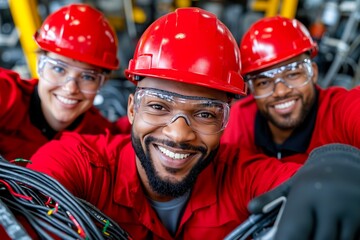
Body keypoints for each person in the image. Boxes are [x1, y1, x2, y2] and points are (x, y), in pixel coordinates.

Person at [27, 8, 360, 240]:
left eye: (205, 114)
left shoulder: (240, 174)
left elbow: (297, 180)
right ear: (131, 108)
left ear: (226, 121)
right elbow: (33, 192)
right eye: (157, 106)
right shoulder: (83, 163)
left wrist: (334, 165)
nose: (178, 134)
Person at [221, 15, 360, 163]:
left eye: (293, 74)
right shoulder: (240, 121)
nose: (281, 92)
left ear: (313, 72)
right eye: (264, 83)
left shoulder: (340, 111)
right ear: (251, 89)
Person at [0, 3, 127, 163]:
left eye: (88, 77)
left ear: (102, 83)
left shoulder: (100, 138)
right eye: (59, 69)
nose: (70, 88)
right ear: (40, 65)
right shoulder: (6, 95)